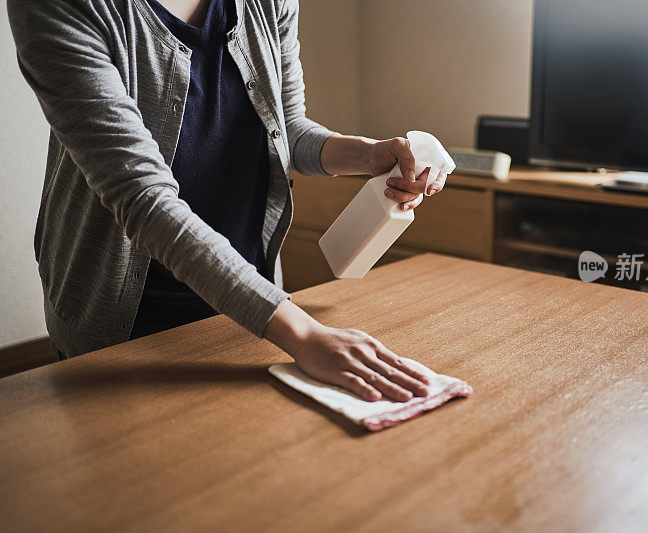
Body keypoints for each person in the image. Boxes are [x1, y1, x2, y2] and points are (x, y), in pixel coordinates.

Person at [8, 0, 450, 402]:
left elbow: (285, 128)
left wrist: (370, 155)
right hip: (123, 320)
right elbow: (142, 197)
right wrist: (303, 333)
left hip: (252, 311)